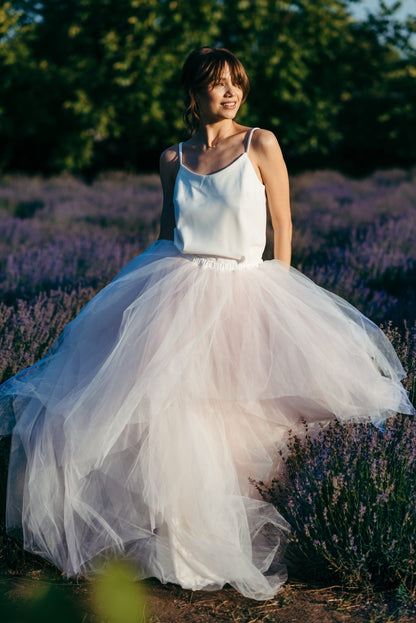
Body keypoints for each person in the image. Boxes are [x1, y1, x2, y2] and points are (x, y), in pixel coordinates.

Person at [0, 47, 414, 602]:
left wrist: (280, 300)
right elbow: (167, 232)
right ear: (192, 95)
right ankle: (182, 542)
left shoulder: (261, 143)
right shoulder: (172, 157)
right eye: (217, 84)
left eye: (236, 83)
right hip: (177, 290)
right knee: (174, 420)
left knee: (244, 418)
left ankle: (250, 534)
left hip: (249, 289)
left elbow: (282, 224)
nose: (230, 92)